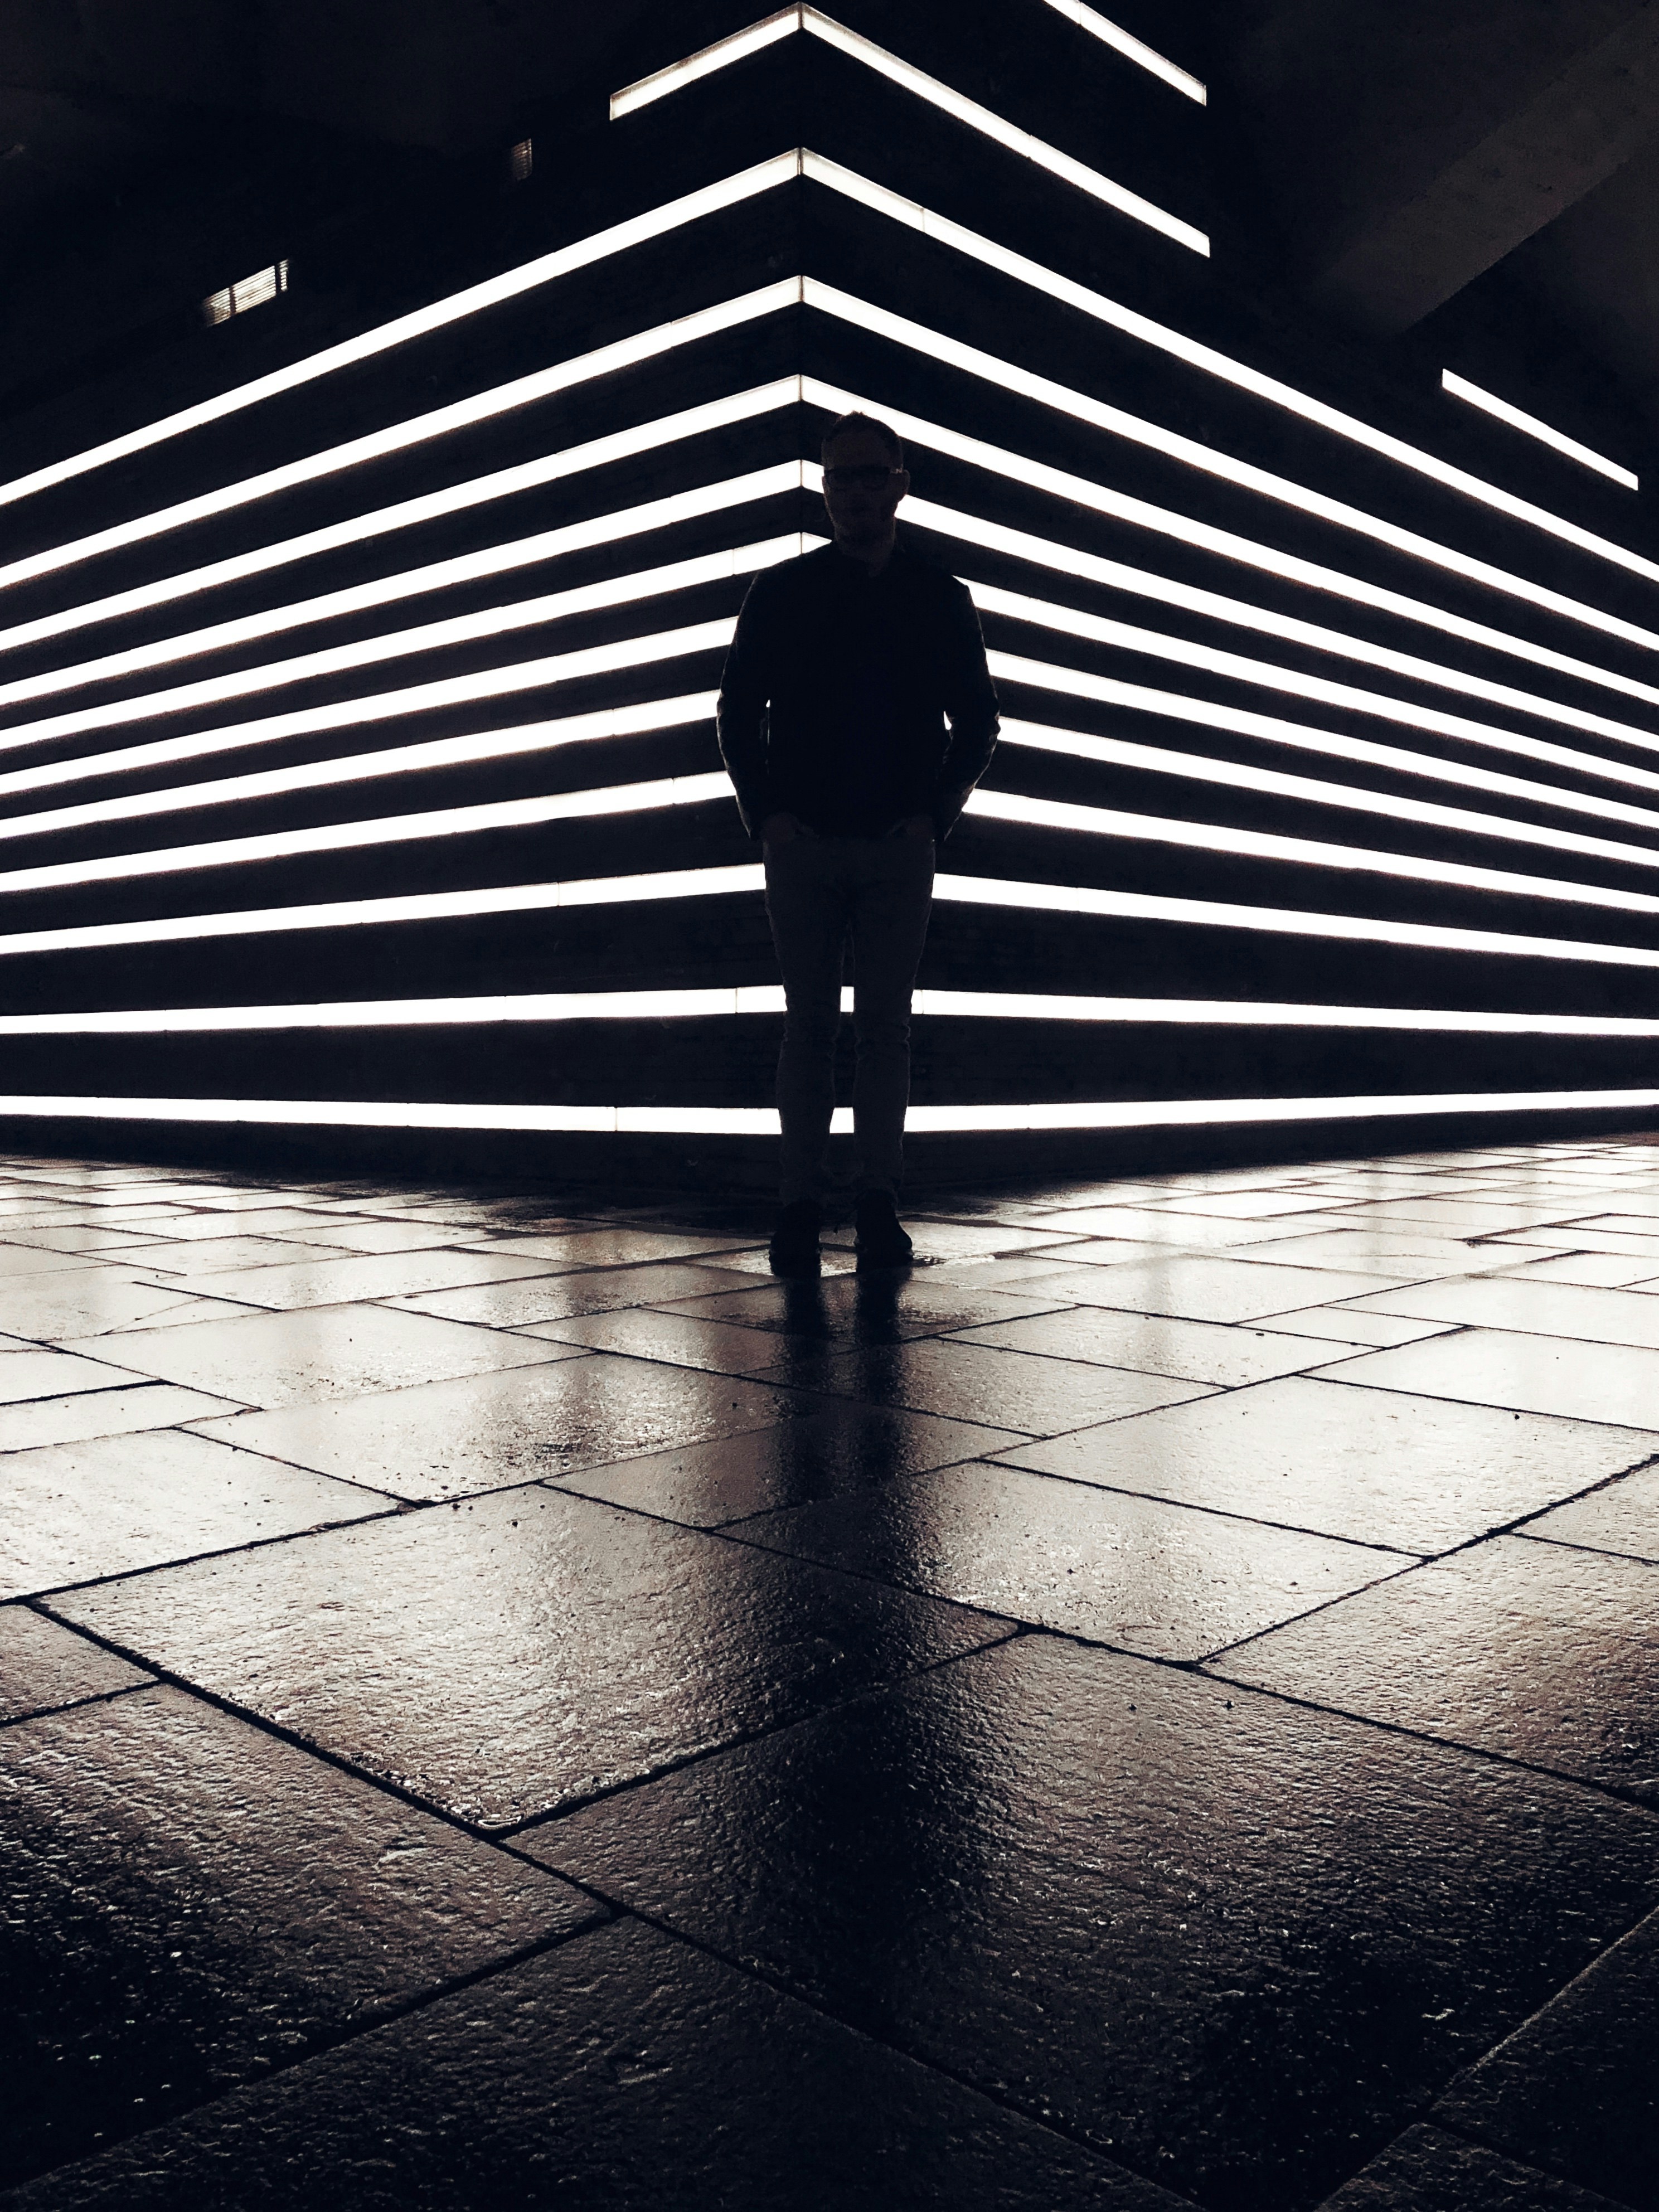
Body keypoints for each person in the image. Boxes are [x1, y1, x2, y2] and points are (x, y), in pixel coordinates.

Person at [716, 411, 1000, 1277]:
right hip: (806, 847)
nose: (856, 492)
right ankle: (803, 1204)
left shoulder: (939, 598)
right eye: (841, 478)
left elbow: (980, 725)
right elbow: (735, 712)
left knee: (879, 1030)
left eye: (871, 475)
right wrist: (769, 818)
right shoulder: (782, 591)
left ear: (901, 481)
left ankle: (875, 1203)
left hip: (892, 847)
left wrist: (930, 819)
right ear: (827, 488)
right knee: (818, 1029)